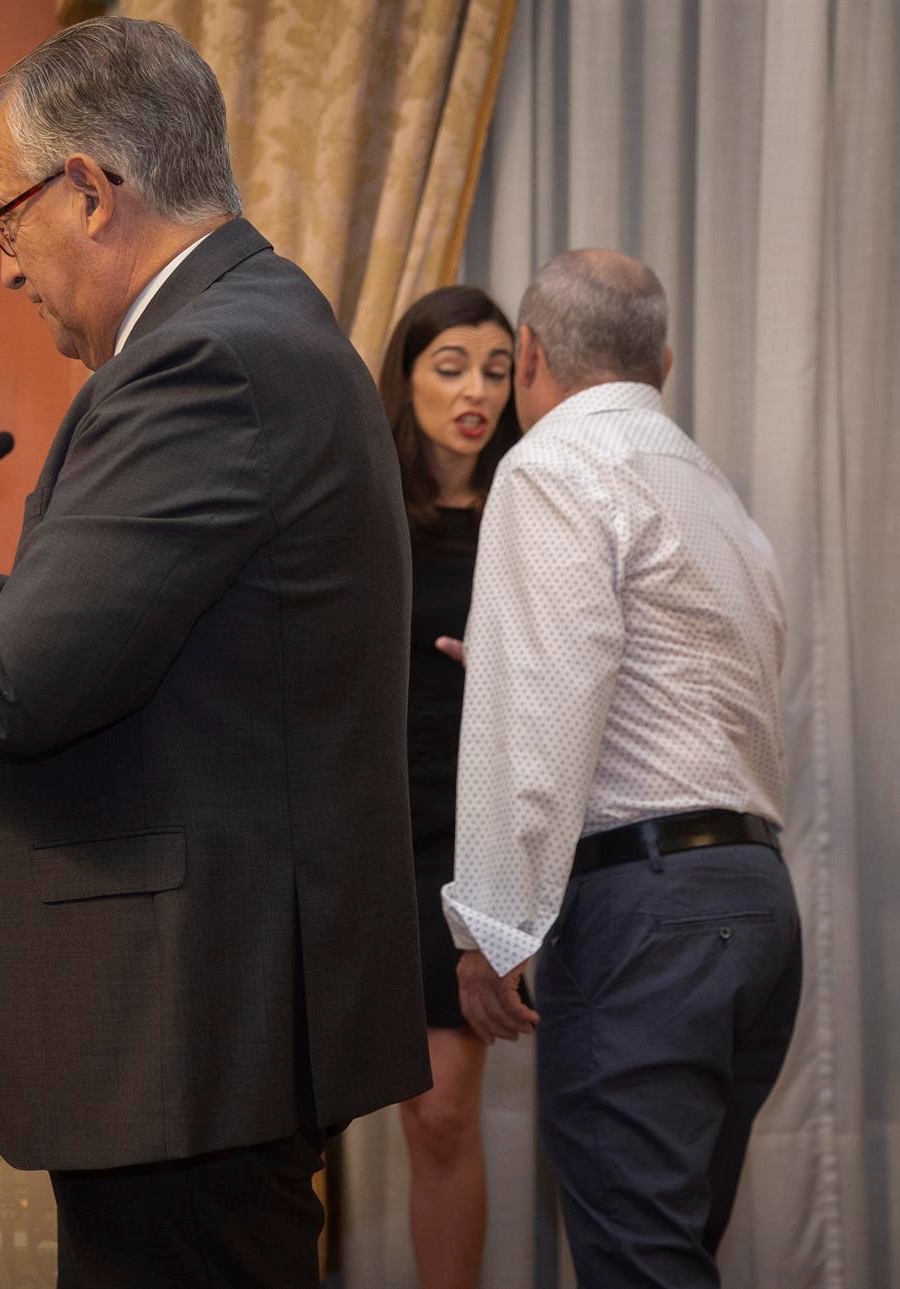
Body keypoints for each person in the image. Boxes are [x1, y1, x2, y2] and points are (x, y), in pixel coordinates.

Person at [0, 18, 429, 1287]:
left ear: (92, 192)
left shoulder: (202, 359)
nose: (6, 267)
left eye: (5, 219)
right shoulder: (254, 322)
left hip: (189, 1020)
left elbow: (30, 682)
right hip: (218, 1012)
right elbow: (171, 627)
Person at [442, 250, 801, 1289]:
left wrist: (489, 925)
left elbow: (545, 720)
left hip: (646, 914)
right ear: (664, 363)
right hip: (754, 899)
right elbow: (704, 686)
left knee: (639, 1266)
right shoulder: (714, 493)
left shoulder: (551, 463)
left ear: (535, 357)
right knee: (672, 1250)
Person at [376, 285, 520, 1289]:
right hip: (359, 825)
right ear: (409, 376)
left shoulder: (530, 505)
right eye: (452, 363)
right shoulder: (362, 505)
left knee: (439, 1109)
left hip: (465, 831)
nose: (477, 390)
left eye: (499, 368)